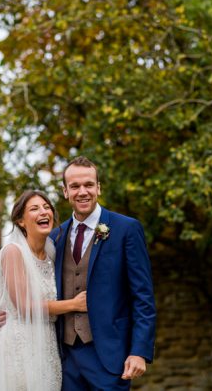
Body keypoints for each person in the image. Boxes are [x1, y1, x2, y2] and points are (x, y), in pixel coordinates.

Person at [52, 156, 156, 390]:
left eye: (89, 184)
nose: (83, 192)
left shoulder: (126, 229)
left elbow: (143, 297)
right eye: (75, 186)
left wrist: (139, 351)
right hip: (65, 359)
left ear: (98, 187)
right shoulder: (55, 237)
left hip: (110, 359)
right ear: (65, 191)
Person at [0, 190, 87, 391]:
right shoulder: (13, 252)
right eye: (34, 209)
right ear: (20, 221)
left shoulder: (53, 252)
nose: (43, 212)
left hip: (48, 343)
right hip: (21, 344)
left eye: (46, 207)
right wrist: (74, 304)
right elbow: (24, 307)